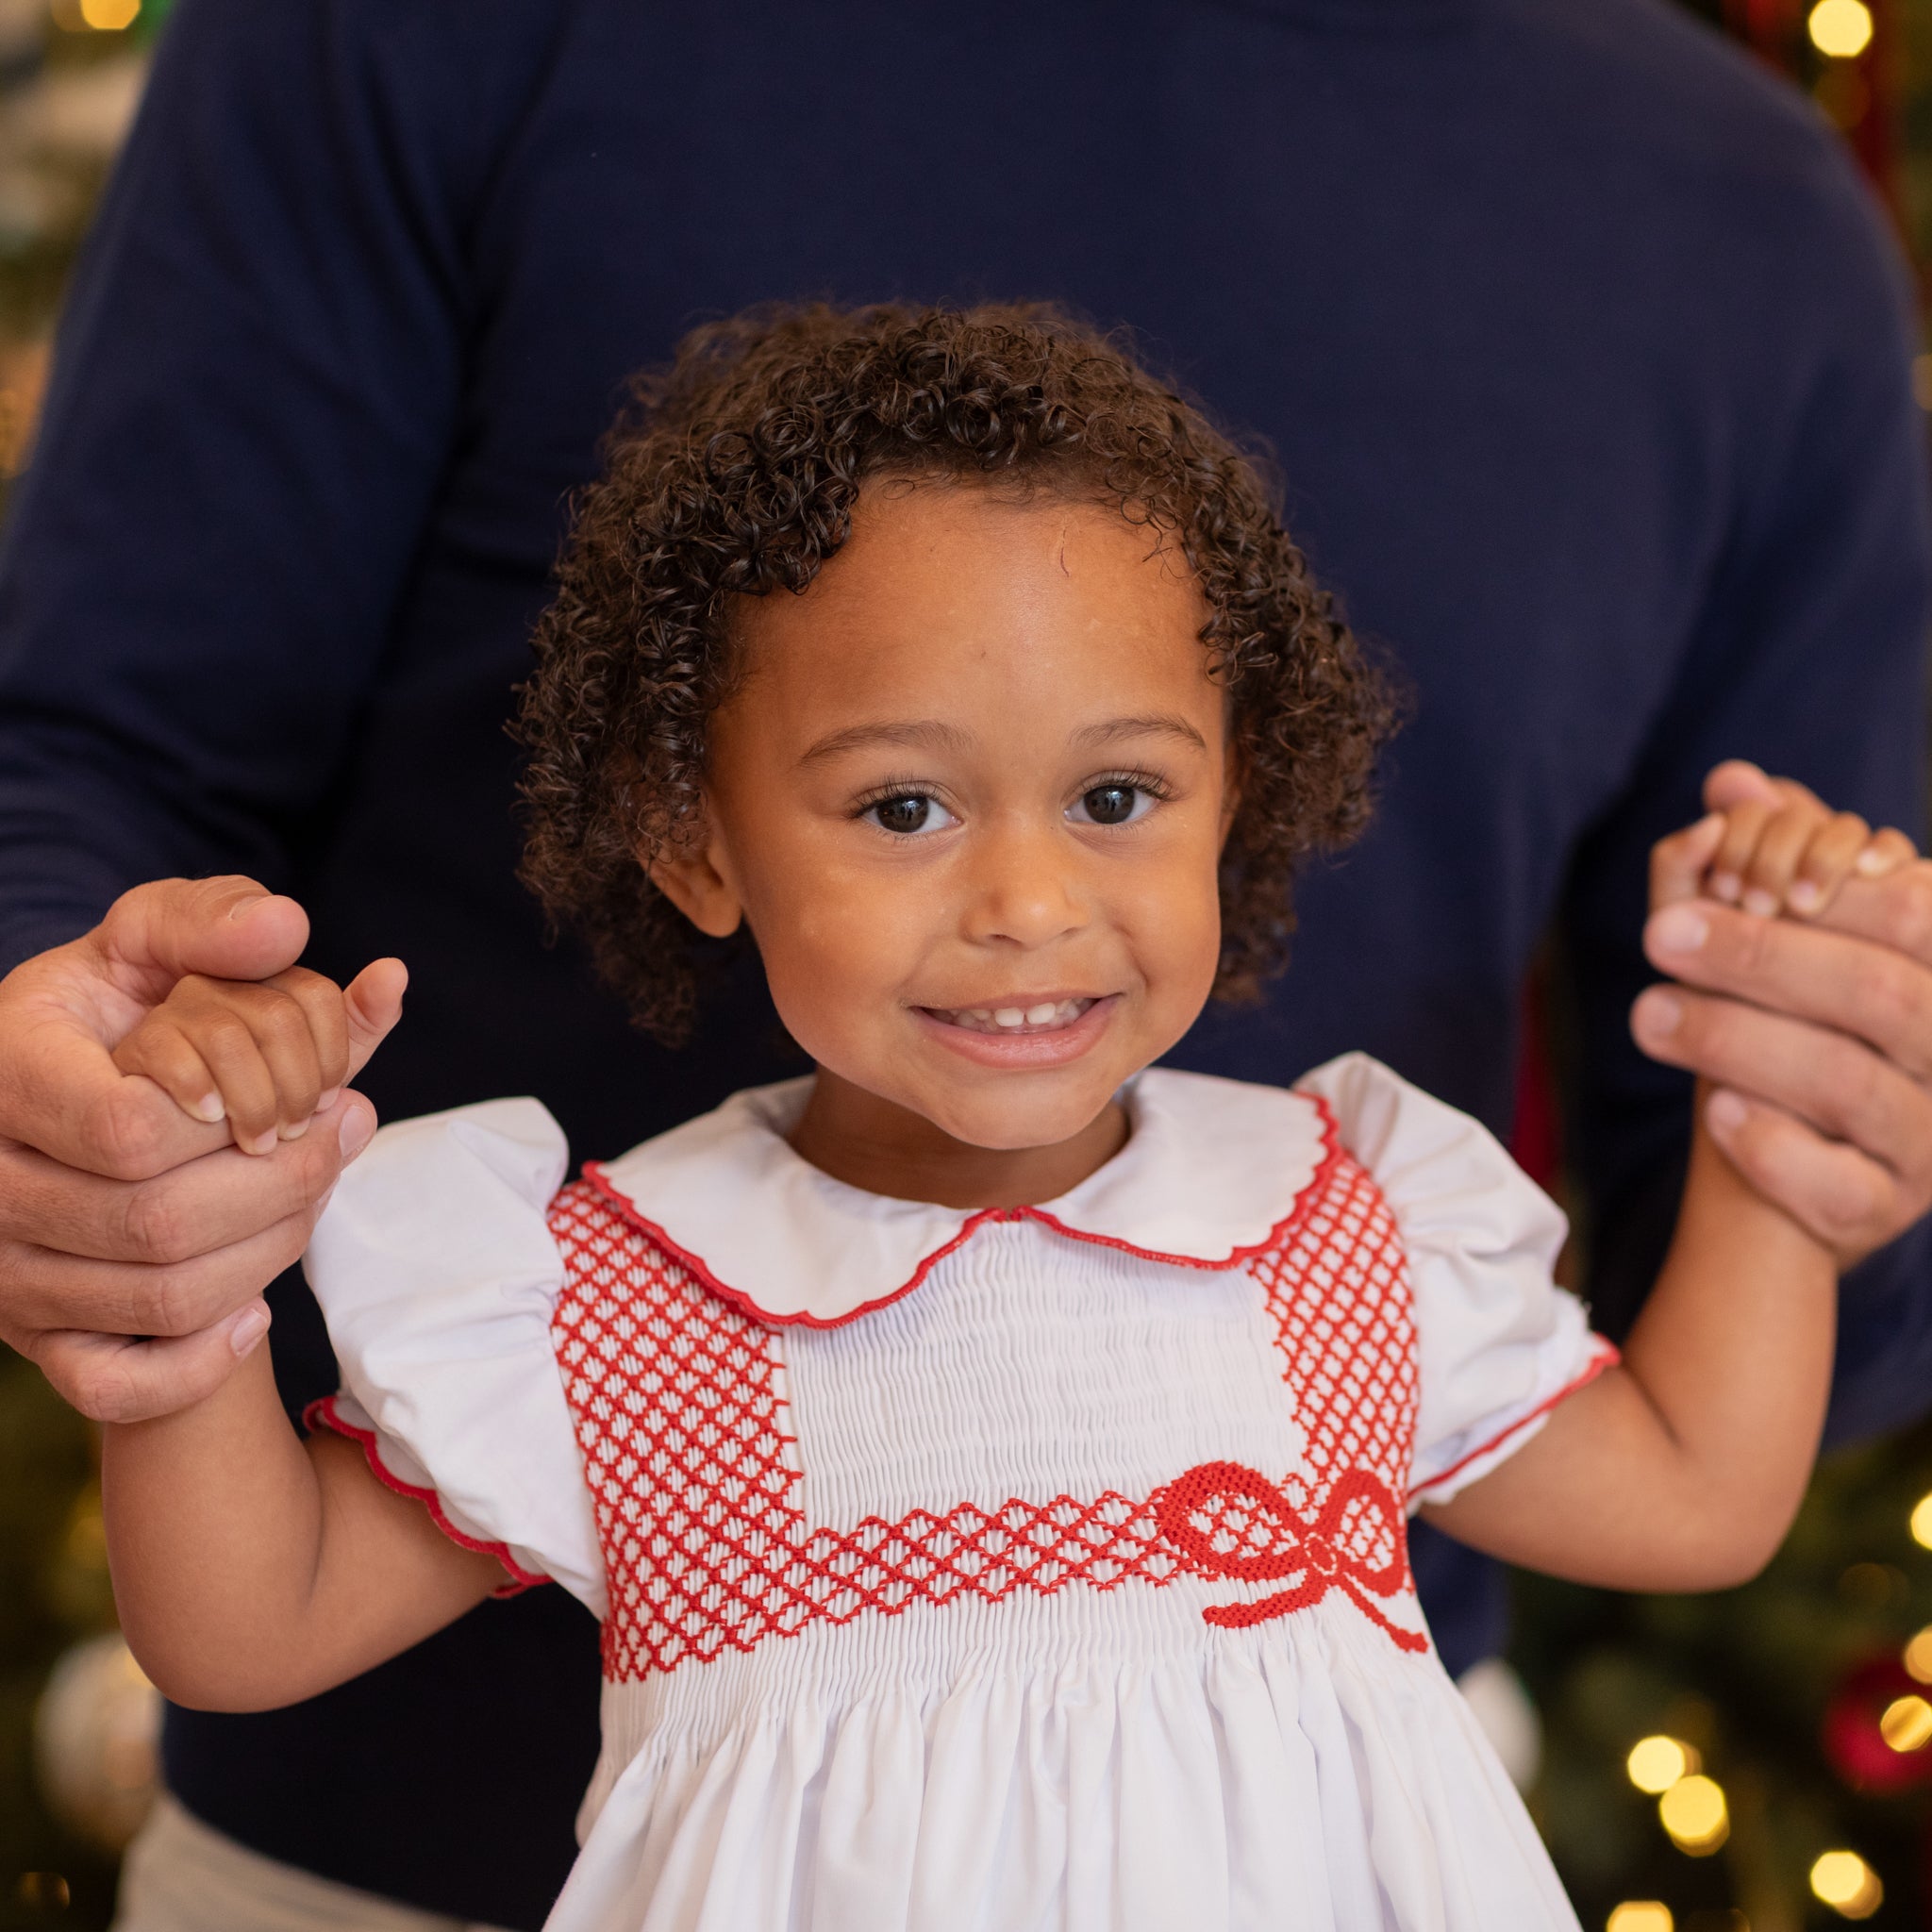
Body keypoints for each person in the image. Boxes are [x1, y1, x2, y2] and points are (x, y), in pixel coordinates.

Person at [6, 3, 1932, 1924]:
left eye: (1112, 796)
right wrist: (174, 1299)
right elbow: (245, 1627)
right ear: (694, 836)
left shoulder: (1343, 1234)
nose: (1023, 899)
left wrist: (1787, 1111)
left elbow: (1692, 1487)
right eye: (906, 811)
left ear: (1235, 802)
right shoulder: (628, 1297)